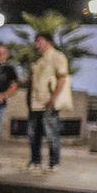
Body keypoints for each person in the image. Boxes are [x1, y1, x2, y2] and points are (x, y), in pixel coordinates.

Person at [26, 32, 71, 172]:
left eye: (39, 41)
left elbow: (62, 79)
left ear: (49, 42)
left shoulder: (57, 57)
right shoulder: (38, 60)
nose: (36, 44)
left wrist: (53, 99)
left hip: (48, 102)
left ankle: (54, 162)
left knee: (51, 134)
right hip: (35, 103)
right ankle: (35, 161)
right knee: (34, 134)